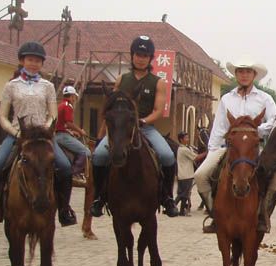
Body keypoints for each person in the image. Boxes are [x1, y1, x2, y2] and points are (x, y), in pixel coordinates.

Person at [0, 41, 77, 226]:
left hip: (43, 136)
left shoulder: (47, 86)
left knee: (65, 167)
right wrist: (15, 132)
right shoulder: (11, 86)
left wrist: (46, 128)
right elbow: (2, 116)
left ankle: (65, 210)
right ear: (22, 61)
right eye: (30, 59)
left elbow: (53, 114)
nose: (33, 63)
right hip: (17, 135)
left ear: (42, 63)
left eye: (37, 60)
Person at [90, 36, 180, 217]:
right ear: (132, 56)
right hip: (120, 129)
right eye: (138, 54)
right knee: (99, 155)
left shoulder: (158, 82)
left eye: (145, 55)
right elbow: (111, 108)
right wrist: (102, 135)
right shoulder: (122, 79)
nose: (141, 58)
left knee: (167, 155)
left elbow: (158, 110)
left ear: (150, 58)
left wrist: (143, 121)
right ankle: (99, 197)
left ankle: (167, 197)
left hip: (145, 127)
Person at [194, 56, 276, 234]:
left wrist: (256, 131)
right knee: (201, 175)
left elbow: (274, 122)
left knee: (273, 179)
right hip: (229, 148)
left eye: (248, 71)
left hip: (255, 149)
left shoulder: (265, 99)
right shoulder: (226, 99)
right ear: (236, 75)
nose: (244, 75)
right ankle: (215, 214)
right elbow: (219, 127)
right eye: (240, 72)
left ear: (254, 75)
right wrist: (213, 151)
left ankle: (263, 215)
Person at [55, 84, 91, 180]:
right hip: (61, 136)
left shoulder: (60, 105)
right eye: (74, 96)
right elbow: (69, 123)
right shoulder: (68, 106)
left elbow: (62, 124)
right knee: (86, 151)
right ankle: (75, 173)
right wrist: (81, 131)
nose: (75, 99)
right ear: (71, 96)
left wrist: (71, 132)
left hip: (59, 134)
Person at [175, 131, 196, 216]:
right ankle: (172, 206)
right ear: (181, 139)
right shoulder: (184, 150)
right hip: (186, 174)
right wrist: (206, 153)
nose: (188, 139)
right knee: (183, 194)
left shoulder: (183, 148)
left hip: (182, 174)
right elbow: (196, 157)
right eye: (186, 138)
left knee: (183, 194)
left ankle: (181, 211)